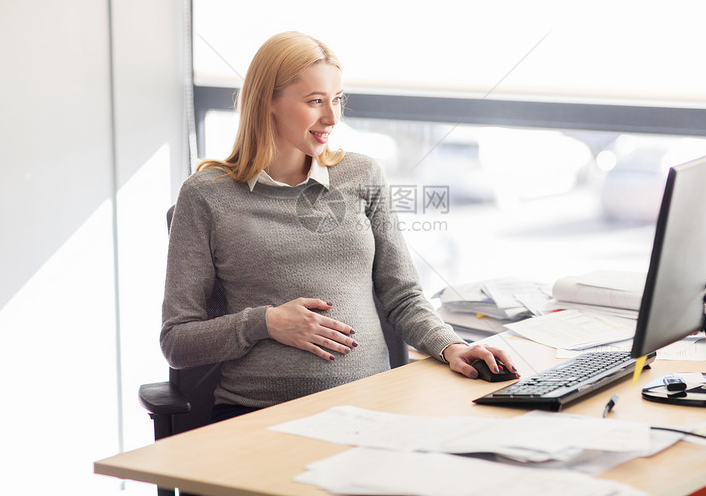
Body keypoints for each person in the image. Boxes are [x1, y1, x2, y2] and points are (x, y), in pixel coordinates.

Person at [160, 31, 519, 422]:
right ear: (268, 102)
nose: (332, 118)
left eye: (337, 99)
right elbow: (177, 341)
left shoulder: (362, 174)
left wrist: (452, 346)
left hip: (374, 404)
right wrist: (266, 323)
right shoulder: (206, 196)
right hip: (260, 413)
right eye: (315, 102)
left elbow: (403, 297)